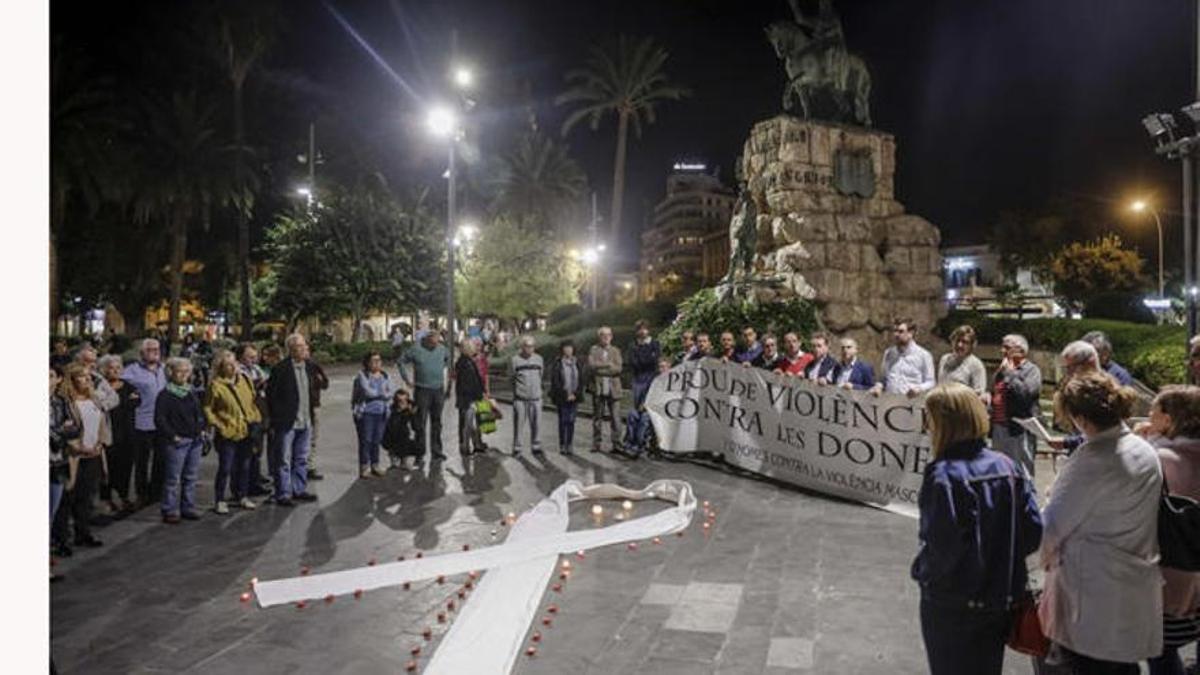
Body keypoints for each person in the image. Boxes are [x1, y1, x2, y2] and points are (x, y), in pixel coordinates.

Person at [911, 383, 1042, 675]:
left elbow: (943, 548)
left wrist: (922, 572)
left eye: (929, 418)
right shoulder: (1008, 466)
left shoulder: (944, 475)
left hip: (954, 603)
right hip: (1001, 599)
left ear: (944, 423)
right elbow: (1033, 531)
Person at [1039, 372, 1162, 673]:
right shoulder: (1144, 450)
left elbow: (1051, 529)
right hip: (1132, 584)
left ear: (1080, 418)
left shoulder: (1091, 460)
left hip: (1091, 596)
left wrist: (1036, 559)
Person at [1136, 386, 1200, 675]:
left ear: (1168, 418)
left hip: (1174, 571)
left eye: (1153, 411)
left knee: (1160, 648)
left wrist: (1145, 439)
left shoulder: (1159, 457)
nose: (1148, 415)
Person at [57, 364, 110, 549]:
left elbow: (103, 424)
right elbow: (65, 428)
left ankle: (83, 533)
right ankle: (62, 539)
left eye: (88, 376)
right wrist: (78, 448)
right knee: (68, 498)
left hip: (94, 454)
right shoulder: (65, 402)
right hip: (74, 457)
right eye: (81, 376)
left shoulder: (94, 398)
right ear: (72, 379)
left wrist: (100, 443)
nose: (87, 379)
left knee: (86, 498)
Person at [265, 334, 321, 506]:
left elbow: (318, 387)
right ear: (291, 349)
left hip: (305, 420)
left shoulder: (310, 367)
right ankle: (283, 492)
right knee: (283, 459)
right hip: (287, 422)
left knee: (301, 458)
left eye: (305, 345)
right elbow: (271, 396)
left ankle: (298, 488)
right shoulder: (280, 369)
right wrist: (276, 419)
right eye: (300, 346)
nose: (304, 349)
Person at [203, 351, 262, 513]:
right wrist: (219, 425)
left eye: (234, 362)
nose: (233, 366)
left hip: (247, 429)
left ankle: (242, 495)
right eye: (228, 364)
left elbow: (252, 400)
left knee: (245, 466)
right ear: (221, 367)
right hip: (228, 432)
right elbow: (208, 408)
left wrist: (255, 417)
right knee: (225, 467)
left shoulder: (245, 380)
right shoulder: (216, 385)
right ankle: (220, 499)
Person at [155, 357, 206, 524]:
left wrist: (202, 430)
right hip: (178, 441)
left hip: (195, 439)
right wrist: (172, 436)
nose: (184, 375)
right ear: (171, 373)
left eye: (187, 371)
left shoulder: (190, 391)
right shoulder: (166, 394)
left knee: (191, 476)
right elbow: (160, 419)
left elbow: (198, 413)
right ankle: (169, 509)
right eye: (180, 371)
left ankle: (187, 507)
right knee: (173, 478)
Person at [989, 334, 1042, 478]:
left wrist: (1010, 373)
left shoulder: (1031, 370)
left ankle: (1025, 500)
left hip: (1019, 429)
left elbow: (1027, 394)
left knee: (1022, 473)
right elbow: (994, 392)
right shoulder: (1002, 369)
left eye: (1007, 347)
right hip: (999, 428)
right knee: (1000, 471)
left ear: (1021, 351)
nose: (1002, 351)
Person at [123, 338, 167, 507]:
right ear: (142, 353)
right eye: (150, 349)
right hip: (142, 422)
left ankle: (156, 492)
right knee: (141, 462)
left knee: (161, 460)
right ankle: (142, 494)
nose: (154, 352)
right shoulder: (132, 370)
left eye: (156, 349)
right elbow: (120, 386)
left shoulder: (165, 369)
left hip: (162, 423)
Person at [98, 354, 140, 516]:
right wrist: (125, 402)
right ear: (104, 370)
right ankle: (107, 499)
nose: (115, 371)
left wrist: (126, 402)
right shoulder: (100, 387)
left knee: (125, 466)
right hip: (108, 433)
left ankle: (123, 496)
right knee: (108, 468)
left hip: (127, 434)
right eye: (111, 368)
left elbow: (137, 401)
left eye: (118, 368)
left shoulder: (128, 386)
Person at [401, 331, 450, 462]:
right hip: (422, 390)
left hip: (438, 389)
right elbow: (401, 361)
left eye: (437, 342)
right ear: (426, 340)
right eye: (433, 343)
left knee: (437, 422)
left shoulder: (442, 349)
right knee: (420, 423)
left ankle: (437, 451)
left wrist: (444, 376)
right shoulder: (415, 349)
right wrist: (406, 379)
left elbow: (448, 360)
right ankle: (419, 452)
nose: (435, 345)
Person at [50, 366, 76, 574]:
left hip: (57, 463)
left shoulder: (61, 402)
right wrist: (61, 431)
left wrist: (56, 434)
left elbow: (75, 427)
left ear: (58, 379)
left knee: (51, 513)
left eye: (50, 376)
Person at [236, 343, 272, 497]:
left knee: (257, 451)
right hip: (245, 416)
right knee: (245, 454)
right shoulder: (238, 370)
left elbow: (266, 380)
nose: (253, 359)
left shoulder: (256, 369)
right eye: (249, 357)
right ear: (241, 357)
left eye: (254, 356)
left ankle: (255, 480)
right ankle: (243, 487)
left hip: (259, 414)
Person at [351, 351, 394, 478]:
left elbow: (390, 392)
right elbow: (367, 392)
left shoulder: (385, 376)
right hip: (366, 413)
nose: (377, 363)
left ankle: (375, 465)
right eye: (374, 360)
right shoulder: (362, 375)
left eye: (379, 360)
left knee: (377, 440)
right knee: (366, 440)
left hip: (381, 412)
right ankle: (364, 467)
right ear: (367, 363)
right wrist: (382, 393)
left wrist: (380, 394)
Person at [872, 318, 935, 398]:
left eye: (900, 331)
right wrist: (878, 386)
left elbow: (931, 382)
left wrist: (919, 388)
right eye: (895, 331)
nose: (896, 334)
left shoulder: (924, 355)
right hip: (889, 402)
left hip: (911, 403)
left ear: (911, 333)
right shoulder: (889, 353)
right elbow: (883, 379)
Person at [589, 326, 624, 453]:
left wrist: (601, 370)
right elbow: (592, 366)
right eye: (603, 335)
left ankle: (617, 443)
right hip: (598, 387)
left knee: (615, 417)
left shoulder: (616, 351)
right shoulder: (594, 350)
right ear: (599, 337)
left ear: (612, 337)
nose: (606, 337)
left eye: (608, 335)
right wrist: (608, 365)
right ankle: (596, 443)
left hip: (613, 388)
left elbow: (618, 368)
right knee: (597, 417)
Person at [510, 335, 545, 457]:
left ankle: (536, 446)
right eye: (527, 346)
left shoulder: (539, 359)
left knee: (537, 424)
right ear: (522, 347)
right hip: (520, 398)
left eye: (532, 346)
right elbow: (511, 378)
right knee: (518, 424)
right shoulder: (515, 360)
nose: (529, 349)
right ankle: (517, 447)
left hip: (536, 397)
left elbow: (541, 375)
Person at [550, 341, 585, 455]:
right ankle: (562, 444)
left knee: (571, 421)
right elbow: (555, 381)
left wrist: (575, 394)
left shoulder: (577, 362)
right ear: (562, 350)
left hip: (575, 396)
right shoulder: (558, 363)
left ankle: (569, 444)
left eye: (570, 348)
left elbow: (581, 380)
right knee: (563, 420)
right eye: (566, 348)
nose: (568, 350)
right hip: (562, 396)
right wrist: (566, 394)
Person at [452, 339, 486, 457]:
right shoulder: (466, 363)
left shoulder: (465, 362)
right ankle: (465, 446)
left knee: (468, 424)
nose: (475, 349)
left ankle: (471, 445)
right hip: (468, 399)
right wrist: (478, 394)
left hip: (467, 398)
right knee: (467, 425)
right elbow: (469, 383)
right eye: (473, 347)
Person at [937, 325, 988, 399]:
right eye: (957, 340)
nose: (959, 345)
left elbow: (978, 394)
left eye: (965, 342)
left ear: (971, 345)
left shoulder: (976, 365)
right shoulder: (944, 359)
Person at [303, 353, 330, 482]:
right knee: (300, 439)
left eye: (306, 349)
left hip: (314, 405)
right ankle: (299, 467)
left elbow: (325, 384)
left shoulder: (314, 366)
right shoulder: (291, 367)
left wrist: (319, 381)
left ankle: (310, 466)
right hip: (300, 407)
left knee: (313, 437)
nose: (304, 352)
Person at [628, 319, 662, 412]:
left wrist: (642, 360)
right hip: (638, 378)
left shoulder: (655, 344)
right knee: (637, 403)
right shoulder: (633, 345)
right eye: (640, 329)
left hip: (651, 376)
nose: (642, 332)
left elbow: (655, 360)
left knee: (648, 403)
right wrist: (648, 358)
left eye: (645, 329)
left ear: (648, 330)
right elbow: (633, 362)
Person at [382, 390, 420, 470]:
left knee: (418, 445)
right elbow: (392, 428)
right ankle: (394, 456)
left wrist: (412, 414)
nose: (402, 403)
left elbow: (417, 427)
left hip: (403, 438)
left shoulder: (410, 409)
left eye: (404, 401)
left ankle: (404, 461)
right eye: (399, 401)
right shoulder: (391, 410)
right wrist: (400, 412)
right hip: (390, 438)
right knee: (401, 432)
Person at [471, 336, 492, 452]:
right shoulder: (469, 359)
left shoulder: (483, 359)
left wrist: (487, 390)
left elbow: (486, 375)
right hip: (472, 392)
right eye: (476, 345)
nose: (478, 347)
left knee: (481, 417)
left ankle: (479, 440)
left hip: (482, 391)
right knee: (471, 419)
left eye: (479, 345)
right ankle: (473, 442)